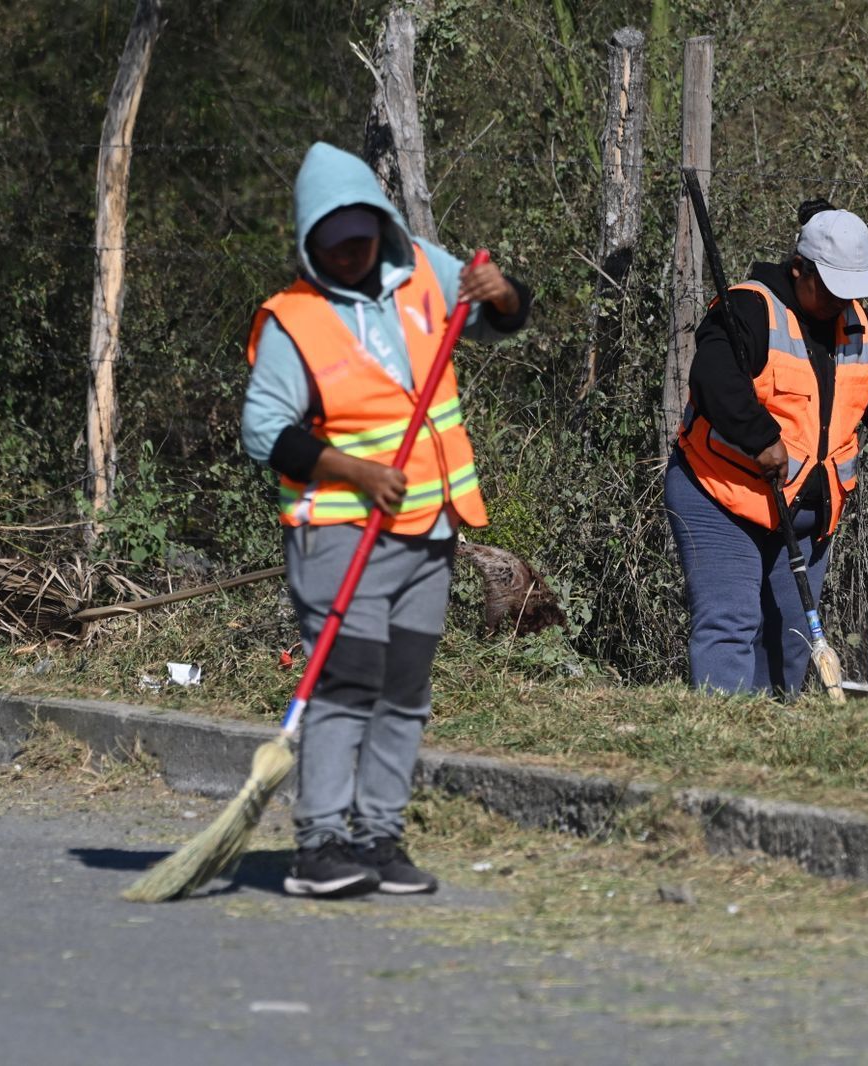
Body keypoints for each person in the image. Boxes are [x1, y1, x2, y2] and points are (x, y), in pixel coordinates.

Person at [241, 143, 531, 897]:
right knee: (348, 683)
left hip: (429, 529)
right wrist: (356, 471)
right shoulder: (293, 321)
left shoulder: (424, 270)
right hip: (341, 535)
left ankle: (378, 836)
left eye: (360, 238)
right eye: (332, 244)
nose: (349, 254)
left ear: (381, 225)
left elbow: (500, 320)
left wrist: (501, 295)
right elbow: (264, 432)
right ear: (310, 242)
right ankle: (319, 846)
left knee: (404, 690)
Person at [667, 199, 868, 696]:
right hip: (722, 498)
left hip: (804, 516)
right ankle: (719, 737)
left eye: (850, 290)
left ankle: (772, 738)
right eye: (832, 289)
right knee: (730, 623)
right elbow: (713, 378)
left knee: (793, 641)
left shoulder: (856, 322)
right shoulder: (749, 309)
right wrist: (761, 439)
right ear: (800, 268)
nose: (842, 302)